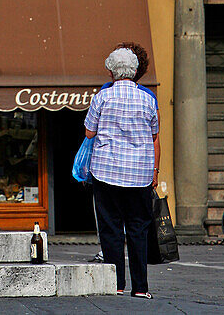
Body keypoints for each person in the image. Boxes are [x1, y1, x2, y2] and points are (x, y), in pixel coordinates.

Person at [84, 47, 160, 299]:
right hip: (139, 174)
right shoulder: (148, 99)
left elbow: (89, 133)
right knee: (138, 229)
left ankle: (115, 283)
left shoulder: (102, 97)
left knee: (111, 228)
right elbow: (154, 135)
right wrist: (154, 172)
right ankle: (140, 287)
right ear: (135, 71)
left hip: (106, 171)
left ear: (110, 71)